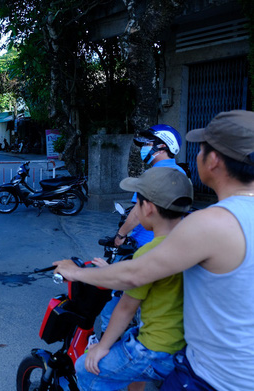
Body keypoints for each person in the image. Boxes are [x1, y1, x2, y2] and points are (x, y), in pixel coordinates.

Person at [53, 110, 254, 390]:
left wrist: (76, 271)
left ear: (214, 160)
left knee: (87, 371)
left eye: (201, 148)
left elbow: (135, 276)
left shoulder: (212, 222)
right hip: (236, 370)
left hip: (211, 377)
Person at [75, 167, 193, 390]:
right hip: (184, 345)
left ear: (147, 208)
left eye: (136, 204)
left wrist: (101, 347)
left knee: (86, 368)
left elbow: (126, 307)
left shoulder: (150, 250)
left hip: (155, 347)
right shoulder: (193, 242)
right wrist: (110, 270)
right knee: (130, 345)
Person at [99, 125, 185, 334]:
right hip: (169, 248)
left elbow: (138, 213)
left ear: (162, 146)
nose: (143, 149)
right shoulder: (180, 172)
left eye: (147, 144)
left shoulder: (154, 175)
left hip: (145, 248)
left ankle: (106, 352)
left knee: (113, 309)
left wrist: (120, 236)